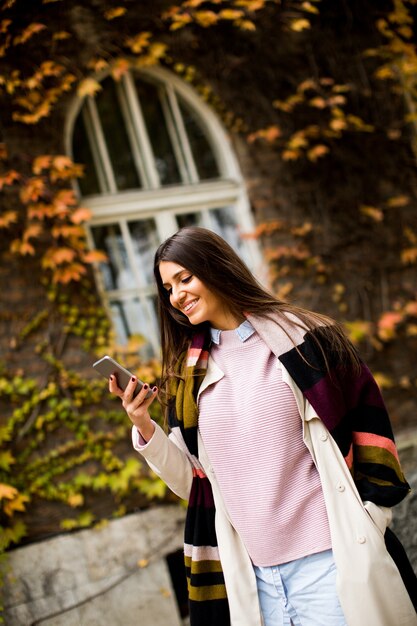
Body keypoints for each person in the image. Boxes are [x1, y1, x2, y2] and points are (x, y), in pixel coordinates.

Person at [109, 226, 417, 626]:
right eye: (168, 288)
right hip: (254, 580)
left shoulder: (306, 338)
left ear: (217, 267)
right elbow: (195, 483)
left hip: (329, 566)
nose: (177, 295)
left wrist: (372, 516)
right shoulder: (188, 376)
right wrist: (143, 424)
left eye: (185, 278)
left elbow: (371, 427)